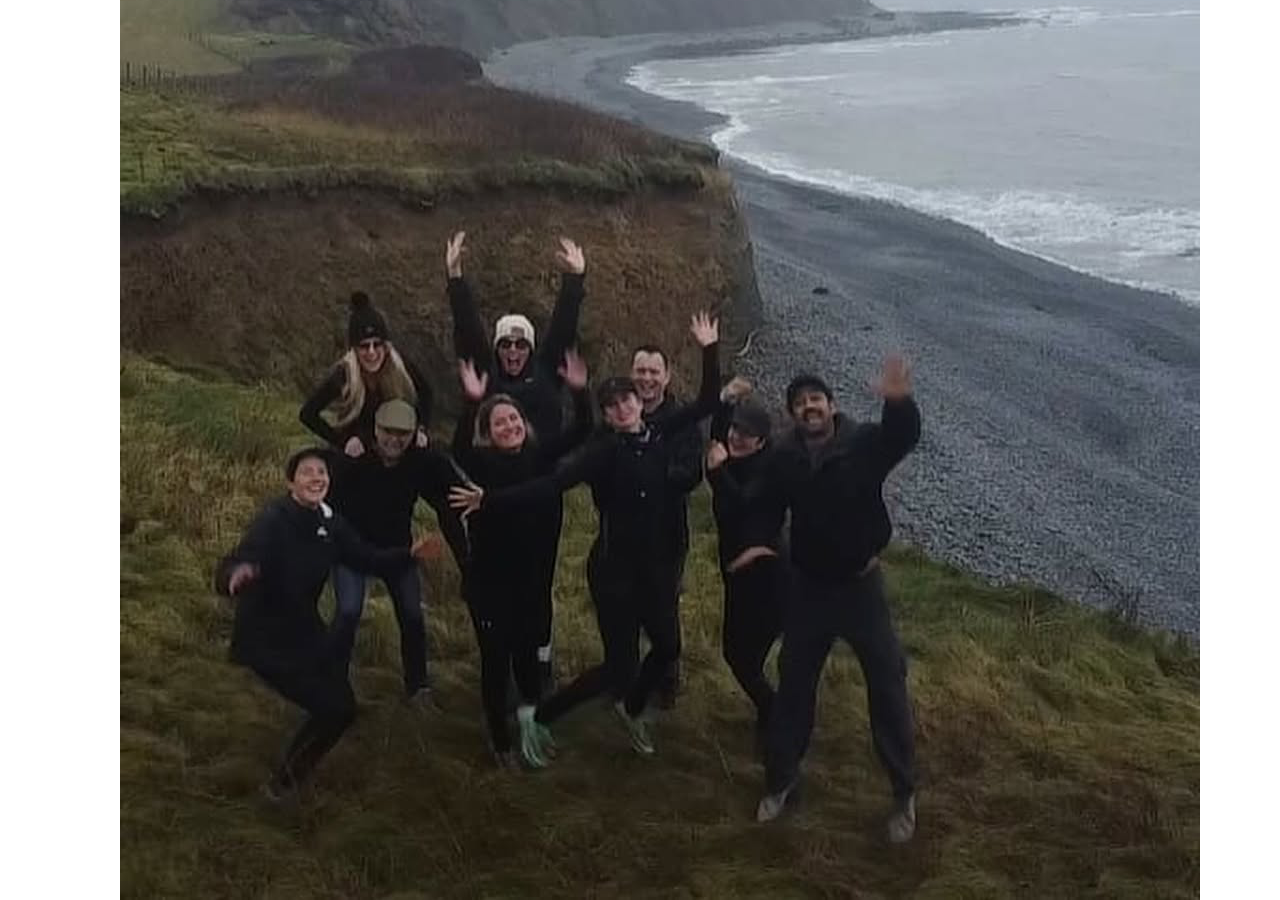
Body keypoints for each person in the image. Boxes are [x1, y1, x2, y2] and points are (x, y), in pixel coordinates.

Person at [450, 313, 722, 767]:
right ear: (608, 415)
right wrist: (490, 500)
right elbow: (548, 485)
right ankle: (543, 717)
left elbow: (708, 401)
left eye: (627, 401)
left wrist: (709, 349)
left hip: (655, 567)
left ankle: (633, 709)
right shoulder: (603, 453)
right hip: (614, 572)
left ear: (640, 402)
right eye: (611, 406)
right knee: (618, 668)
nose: (621, 409)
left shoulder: (662, 433)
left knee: (669, 648)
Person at [712, 357, 921, 843]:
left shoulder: (864, 443)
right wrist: (759, 540)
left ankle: (903, 793)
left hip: (860, 587)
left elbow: (902, 437)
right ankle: (781, 781)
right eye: (800, 402)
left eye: (816, 399)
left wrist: (898, 401)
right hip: (808, 588)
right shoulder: (785, 457)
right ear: (792, 414)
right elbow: (762, 503)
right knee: (793, 686)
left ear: (832, 406)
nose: (809, 406)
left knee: (887, 684)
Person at [215, 447, 441, 801]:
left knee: (340, 708)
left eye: (322, 472)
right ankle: (282, 787)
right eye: (307, 472)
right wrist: (237, 575)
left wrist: (408, 555)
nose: (317, 478)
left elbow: (366, 557)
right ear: (291, 482)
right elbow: (238, 559)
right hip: (266, 637)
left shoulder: (330, 522)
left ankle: (289, 775)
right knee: (334, 708)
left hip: (305, 630)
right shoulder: (274, 519)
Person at [443, 231, 587, 687]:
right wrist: (454, 278)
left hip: (543, 499)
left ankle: (539, 657)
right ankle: (499, 655)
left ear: (530, 348)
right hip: (494, 498)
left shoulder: (546, 374)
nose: (511, 352)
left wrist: (575, 278)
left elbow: (563, 325)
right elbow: (468, 328)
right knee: (499, 579)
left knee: (539, 583)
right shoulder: (489, 375)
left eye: (519, 345)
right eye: (506, 345)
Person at [451, 350, 594, 766]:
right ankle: (499, 740)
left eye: (514, 419)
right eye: (500, 423)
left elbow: (583, 428)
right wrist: (473, 402)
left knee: (528, 656)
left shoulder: (540, 454)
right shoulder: (480, 464)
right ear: (488, 433)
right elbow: (459, 448)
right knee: (496, 663)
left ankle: (533, 725)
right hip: (489, 585)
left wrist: (580, 392)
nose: (510, 426)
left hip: (531, 581)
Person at [326, 399, 472, 704]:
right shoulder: (353, 459)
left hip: (399, 551)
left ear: (414, 434)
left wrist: (478, 504)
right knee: (349, 611)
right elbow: (323, 500)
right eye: (387, 432)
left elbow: (451, 488)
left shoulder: (420, 461)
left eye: (402, 434)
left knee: (412, 615)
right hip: (353, 551)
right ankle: (332, 681)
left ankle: (417, 686)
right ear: (375, 431)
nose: (394, 440)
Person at [705, 385, 787, 754]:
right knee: (736, 653)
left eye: (746, 434)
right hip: (737, 574)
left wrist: (720, 471)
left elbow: (742, 507)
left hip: (768, 577)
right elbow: (716, 437)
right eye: (735, 430)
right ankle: (773, 710)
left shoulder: (767, 472)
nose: (736, 437)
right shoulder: (730, 455)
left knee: (745, 656)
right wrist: (724, 400)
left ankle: (776, 714)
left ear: (761, 443)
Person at [630, 343, 707, 708]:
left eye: (653, 372)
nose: (646, 378)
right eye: (641, 371)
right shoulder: (622, 413)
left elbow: (691, 474)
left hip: (667, 535)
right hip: (623, 534)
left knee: (663, 609)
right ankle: (626, 674)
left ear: (667, 376)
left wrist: (650, 470)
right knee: (624, 608)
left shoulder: (683, 421)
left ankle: (667, 679)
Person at [300, 292, 433, 457]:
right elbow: (308, 414)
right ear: (354, 349)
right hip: (360, 454)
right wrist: (342, 441)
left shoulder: (399, 365)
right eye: (364, 346)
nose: (371, 353)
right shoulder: (344, 374)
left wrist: (421, 429)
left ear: (386, 346)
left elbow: (426, 394)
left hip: (396, 445)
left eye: (377, 344)